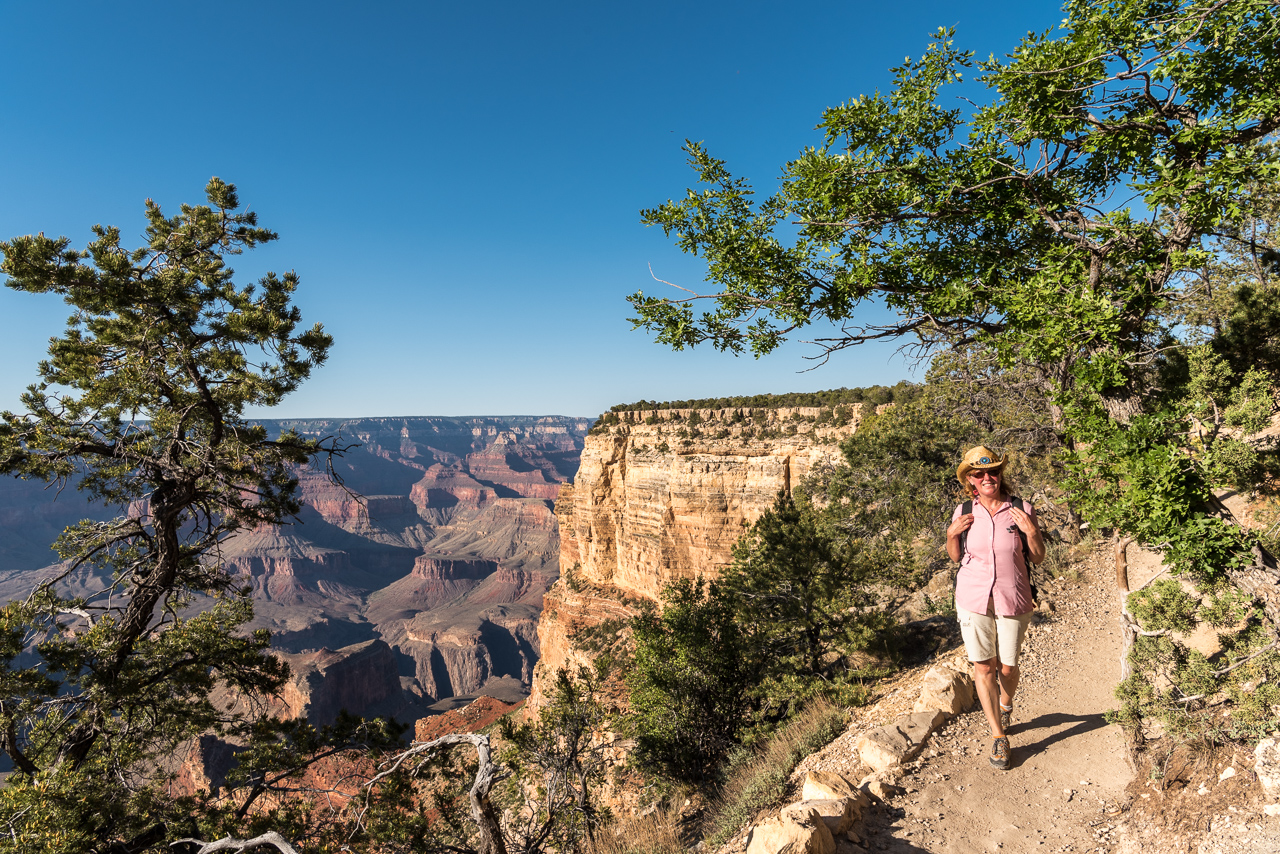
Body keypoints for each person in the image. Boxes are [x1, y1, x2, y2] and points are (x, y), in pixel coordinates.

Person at [946, 446, 1045, 771]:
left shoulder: (1021, 508)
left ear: (1000, 474)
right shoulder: (963, 511)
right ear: (970, 481)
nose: (987, 478)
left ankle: (1006, 701)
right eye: (979, 474)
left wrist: (1031, 531)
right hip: (973, 598)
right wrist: (950, 535)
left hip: (1012, 596)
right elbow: (956, 557)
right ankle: (999, 735)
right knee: (984, 667)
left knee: (1007, 667)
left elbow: (1038, 557)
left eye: (992, 472)